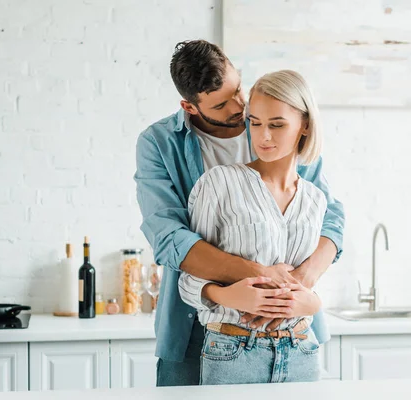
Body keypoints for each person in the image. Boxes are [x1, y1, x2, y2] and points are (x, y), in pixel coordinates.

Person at [134, 40, 345, 387]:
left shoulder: (274, 124)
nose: (240, 106)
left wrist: (299, 284)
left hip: (290, 325)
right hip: (197, 324)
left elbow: (330, 217)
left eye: (238, 90)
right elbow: (169, 237)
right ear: (189, 106)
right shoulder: (160, 143)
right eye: (221, 103)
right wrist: (260, 279)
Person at [179, 70, 326, 384]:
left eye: (277, 125)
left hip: (301, 349)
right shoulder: (220, 183)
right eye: (255, 123)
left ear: (305, 125)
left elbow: (307, 284)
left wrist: (312, 302)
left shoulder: (315, 200)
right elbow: (187, 279)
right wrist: (228, 296)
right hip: (232, 351)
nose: (263, 137)